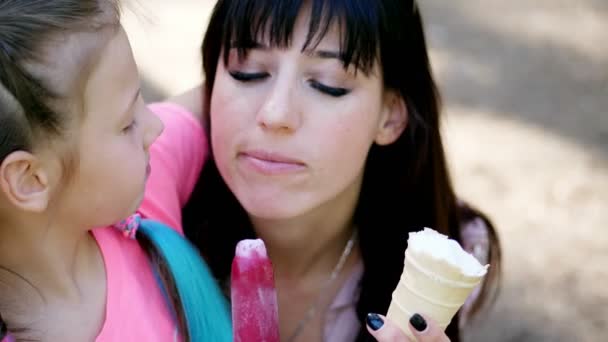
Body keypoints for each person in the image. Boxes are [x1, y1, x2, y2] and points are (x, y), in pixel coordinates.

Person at [177, 0, 502, 341]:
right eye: (248, 70)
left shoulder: (443, 260)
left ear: (390, 115)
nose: (275, 114)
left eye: (327, 84)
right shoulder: (152, 223)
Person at [0, 1, 230, 341]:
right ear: (30, 180)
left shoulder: (146, 189)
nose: (155, 127)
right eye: (127, 124)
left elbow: (233, 94)